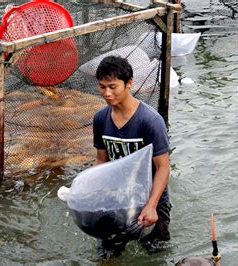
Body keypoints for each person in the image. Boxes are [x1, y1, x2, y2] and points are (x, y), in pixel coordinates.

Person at [92, 55, 172, 259]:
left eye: (112, 86)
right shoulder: (100, 119)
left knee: (155, 254)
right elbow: (101, 160)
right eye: (102, 87)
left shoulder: (150, 121)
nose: (107, 93)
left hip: (151, 198)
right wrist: (88, 190)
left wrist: (151, 205)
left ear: (129, 83)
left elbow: (163, 168)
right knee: (107, 255)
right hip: (118, 197)